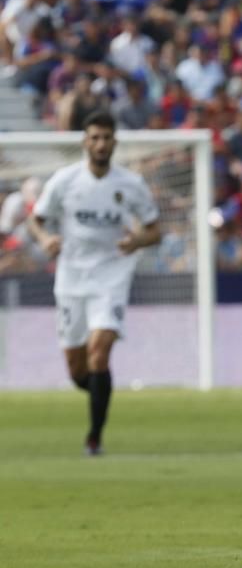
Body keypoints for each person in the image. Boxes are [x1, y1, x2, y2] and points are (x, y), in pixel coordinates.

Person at [26, 111, 161, 455]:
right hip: (71, 278)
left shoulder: (130, 184)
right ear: (85, 142)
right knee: (78, 369)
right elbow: (36, 220)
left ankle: (94, 437)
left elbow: (155, 230)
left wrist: (136, 242)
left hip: (112, 276)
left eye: (106, 138)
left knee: (99, 354)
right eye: (95, 138)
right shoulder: (64, 180)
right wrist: (44, 240)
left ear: (115, 141)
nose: (101, 144)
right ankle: (102, 394)